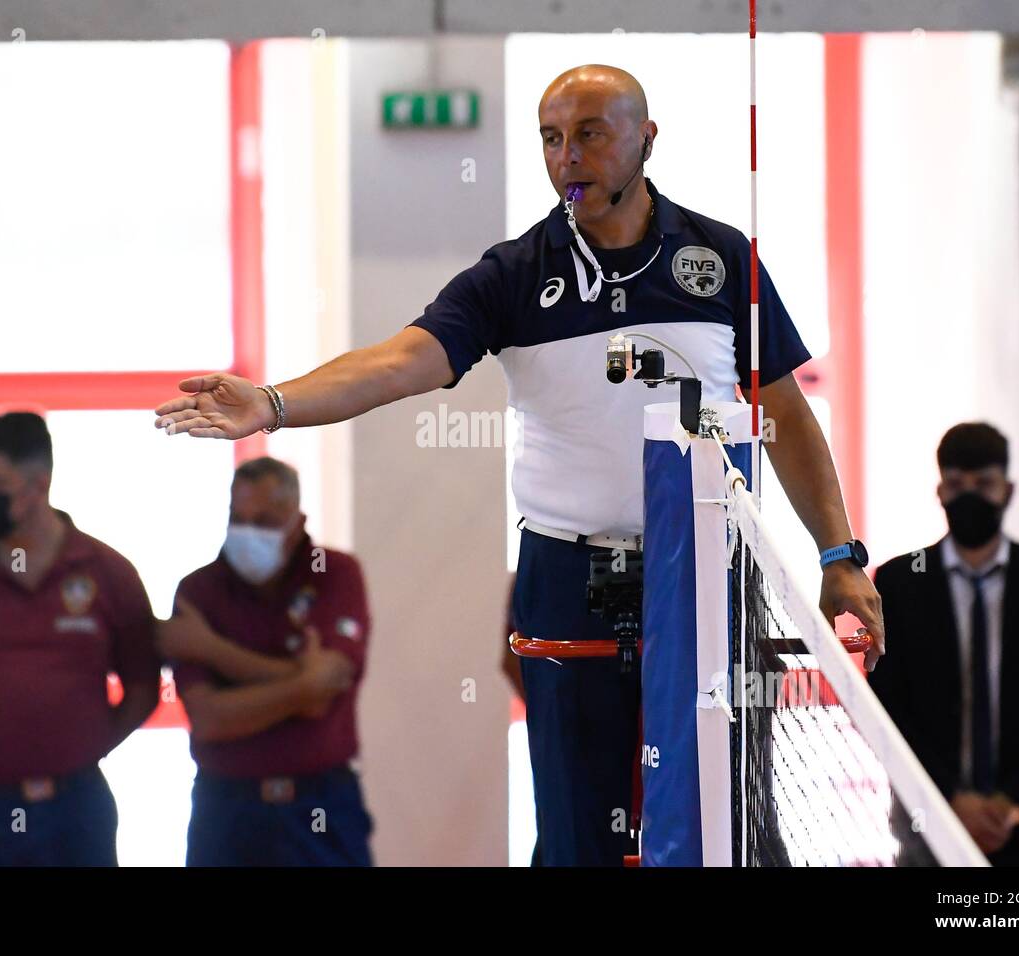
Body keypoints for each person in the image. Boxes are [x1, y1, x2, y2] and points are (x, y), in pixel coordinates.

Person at [153, 65, 882, 866]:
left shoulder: (722, 258)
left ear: (646, 138)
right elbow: (401, 360)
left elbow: (783, 412)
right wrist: (273, 402)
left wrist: (840, 555)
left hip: (708, 576)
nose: (568, 155)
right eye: (550, 138)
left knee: (727, 824)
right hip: (568, 577)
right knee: (578, 833)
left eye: (591, 134)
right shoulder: (513, 274)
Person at [0, 412, 160, 866]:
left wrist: (85, 746)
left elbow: (142, 684)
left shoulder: (106, 572)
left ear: (38, 487)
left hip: (74, 808)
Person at [868, 423, 1019, 865]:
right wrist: (950, 799)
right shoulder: (898, 584)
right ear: (939, 492)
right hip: (927, 822)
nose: (969, 497)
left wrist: (1010, 800)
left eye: (984, 484)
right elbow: (888, 705)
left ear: (1008, 491)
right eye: (957, 484)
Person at [158, 456, 372, 866]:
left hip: (321, 801)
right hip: (228, 807)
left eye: (266, 521)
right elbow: (211, 719)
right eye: (239, 519)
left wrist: (212, 649)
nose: (249, 532)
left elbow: (327, 685)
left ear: (297, 521)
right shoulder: (198, 591)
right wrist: (303, 683)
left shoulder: (335, 574)